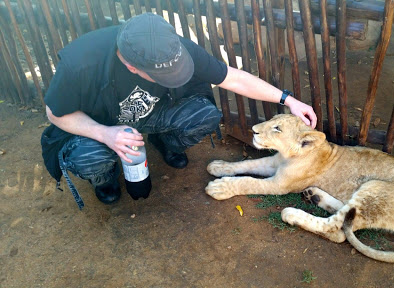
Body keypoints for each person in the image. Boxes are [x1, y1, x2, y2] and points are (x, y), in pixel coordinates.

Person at [41, 12, 317, 209]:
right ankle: (106, 178)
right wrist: (104, 133)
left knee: (205, 114)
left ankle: (164, 142)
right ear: (132, 67)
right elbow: (55, 113)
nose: (176, 74)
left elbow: (232, 77)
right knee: (89, 157)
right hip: (100, 123)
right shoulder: (81, 63)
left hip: (152, 114)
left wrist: (287, 100)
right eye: (165, 76)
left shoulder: (171, 47)